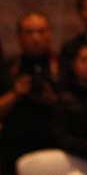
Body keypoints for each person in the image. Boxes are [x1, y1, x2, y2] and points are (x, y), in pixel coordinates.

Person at [0, 12, 60, 174]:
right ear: (19, 36)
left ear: (49, 34)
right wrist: (15, 94)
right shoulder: (8, 68)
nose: (36, 38)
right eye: (29, 32)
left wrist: (54, 99)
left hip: (57, 147)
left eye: (41, 32)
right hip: (14, 149)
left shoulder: (64, 68)